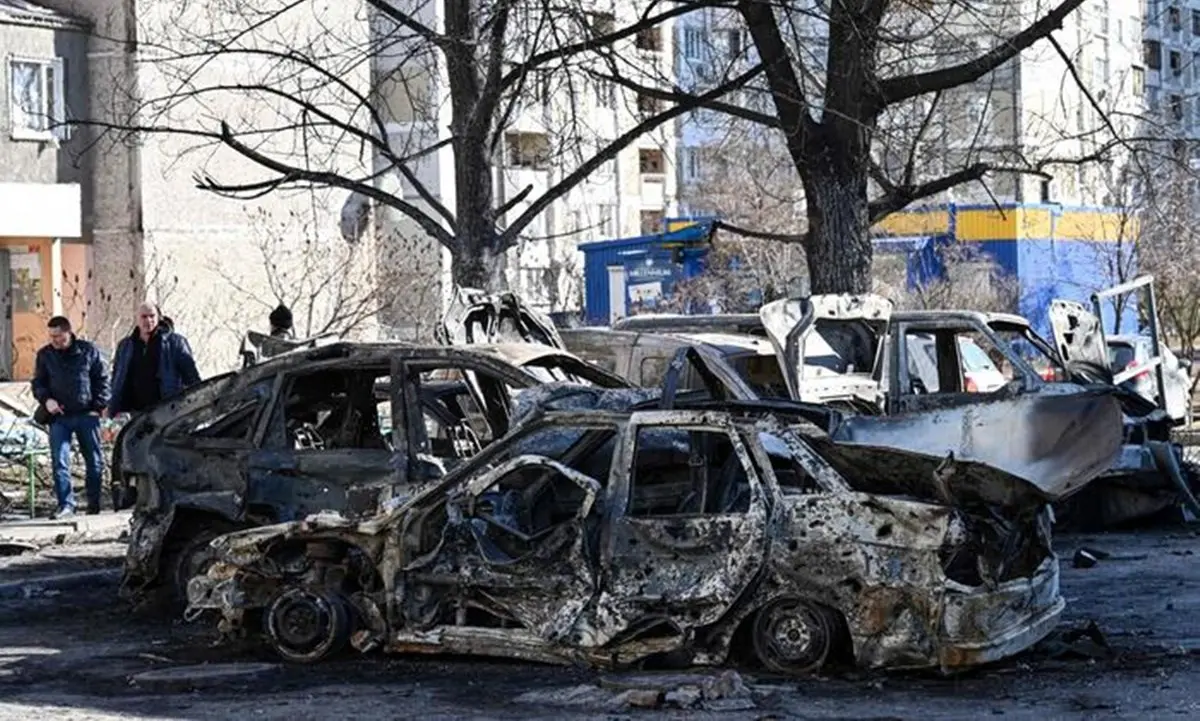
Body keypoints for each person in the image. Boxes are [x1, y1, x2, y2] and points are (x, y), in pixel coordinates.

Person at [31, 316, 110, 518]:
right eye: (51, 336)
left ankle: (93, 504)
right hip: (59, 417)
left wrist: (98, 406)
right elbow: (39, 383)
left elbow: (101, 379)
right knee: (60, 461)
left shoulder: (88, 350)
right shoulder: (45, 355)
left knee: (94, 462)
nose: (54, 340)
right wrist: (46, 399)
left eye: (58, 336)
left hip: (86, 414)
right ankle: (66, 505)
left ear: (68, 332)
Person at [107, 302, 202, 418]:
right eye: (144, 316)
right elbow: (116, 378)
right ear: (137, 319)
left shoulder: (175, 343)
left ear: (159, 318)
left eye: (152, 316)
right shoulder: (125, 346)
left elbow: (191, 377)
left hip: (164, 412)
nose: (148, 320)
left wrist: (196, 405)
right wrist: (110, 406)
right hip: (131, 414)